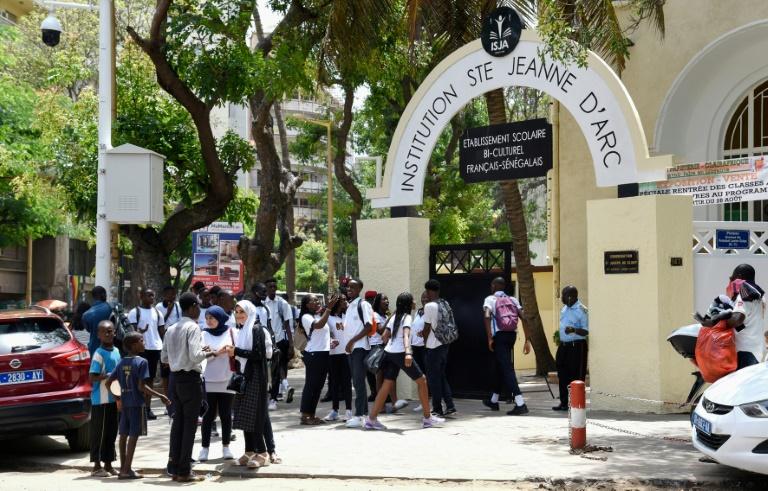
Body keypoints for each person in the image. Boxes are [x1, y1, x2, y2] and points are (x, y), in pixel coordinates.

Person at [365, 293, 445, 430]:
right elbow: (406, 336)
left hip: (389, 352)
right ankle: (428, 418)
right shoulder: (407, 317)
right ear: (408, 303)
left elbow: (384, 337)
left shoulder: (394, 317)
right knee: (422, 381)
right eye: (413, 300)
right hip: (401, 353)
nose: (415, 301)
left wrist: (394, 343)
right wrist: (408, 352)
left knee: (387, 384)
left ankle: (371, 419)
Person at [161, 292, 216, 482]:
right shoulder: (192, 327)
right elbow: (195, 356)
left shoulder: (171, 328)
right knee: (189, 426)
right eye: (198, 307)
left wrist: (179, 359)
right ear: (192, 307)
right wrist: (209, 352)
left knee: (178, 425)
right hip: (191, 379)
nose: (199, 310)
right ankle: (184, 470)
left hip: (176, 379)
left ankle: (175, 467)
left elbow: (164, 358)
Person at [107, 332, 170, 480]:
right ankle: (127, 470)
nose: (144, 342)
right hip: (137, 404)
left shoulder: (122, 362)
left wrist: (118, 398)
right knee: (133, 436)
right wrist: (160, 395)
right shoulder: (142, 362)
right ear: (134, 345)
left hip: (125, 404)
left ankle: (123, 468)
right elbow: (142, 387)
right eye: (141, 340)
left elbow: (108, 382)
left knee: (123, 435)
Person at [226, 300, 272, 469]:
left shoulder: (256, 328)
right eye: (237, 311)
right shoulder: (243, 329)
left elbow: (259, 354)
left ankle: (263, 453)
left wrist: (236, 351)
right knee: (245, 415)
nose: (239, 315)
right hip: (246, 376)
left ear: (250, 312)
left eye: (242, 312)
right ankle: (249, 451)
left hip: (256, 377)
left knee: (256, 416)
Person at [482, 277, 531, 415]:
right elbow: (524, 318)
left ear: (493, 286)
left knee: (507, 368)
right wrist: (527, 340)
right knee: (500, 366)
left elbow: (486, 315)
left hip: (500, 336)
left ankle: (521, 404)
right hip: (511, 336)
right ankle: (493, 400)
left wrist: (489, 337)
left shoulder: (490, 299)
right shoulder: (513, 300)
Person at [198, 306, 236, 462]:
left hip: (228, 378)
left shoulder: (232, 332)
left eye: (212, 318)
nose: (209, 321)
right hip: (209, 379)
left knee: (226, 415)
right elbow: (201, 355)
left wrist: (231, 350)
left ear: (220, 318)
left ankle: (226, 447)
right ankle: (204, 448)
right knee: (208, 416)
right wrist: (217, 353)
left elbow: (237, 351)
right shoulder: (203, 334)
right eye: (207, 318)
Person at [299, 293, 340, 425]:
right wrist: (328, 309)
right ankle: (305, 415)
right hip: (313, 354)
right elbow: (318, 326)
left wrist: (331, 341)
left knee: (318, 386)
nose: (317, 302)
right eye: (314, 301)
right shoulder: (306, 317)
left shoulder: (318, 315)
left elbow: (323, 333)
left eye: (318, 300)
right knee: (311, 385)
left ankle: (312, 414)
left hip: (323, 353)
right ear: (307, 305)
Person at [88, 320, 121, 477]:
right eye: (105, 331)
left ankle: (108, 464)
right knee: (99, 434)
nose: (108, 334)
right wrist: (106, 376)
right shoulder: (98, 353)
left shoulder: (116, 351)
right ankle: (96, 466)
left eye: (111, 331)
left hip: (113, 399)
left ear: (114, 332)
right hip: (100, 400)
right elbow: (92, 377)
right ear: (99, 335)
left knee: (111, 432)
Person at [127, 289, 165, 420]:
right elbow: (131, 332)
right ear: (141, 296)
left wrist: (165, 348)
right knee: (139, 379)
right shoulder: (134, 312)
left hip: (155, 349)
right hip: (141, 350)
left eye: (153, 295)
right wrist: (139, 331)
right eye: (149, 295)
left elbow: (161, 332)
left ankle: (147, 409)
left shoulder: (157, 312)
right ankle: (138, 408)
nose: (152, 297)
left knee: (150, 379)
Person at [421, 279, 457, 417]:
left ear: (429, 291)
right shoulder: (444, 303)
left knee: (433, 379)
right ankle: (450, 405)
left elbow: (426, 328)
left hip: (433, 346)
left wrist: (424, 342)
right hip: (445, 344)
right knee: (441, 376)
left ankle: (437, 409)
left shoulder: (429, 306)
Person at [343, 279, 374, 428]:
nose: (349, 289)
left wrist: (351, 341)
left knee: (358, 382)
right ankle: (365, 415)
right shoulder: (350, 306)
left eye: (353, 287)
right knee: (357, 382)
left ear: (360, 288)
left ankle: (358, 415)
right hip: (352, 349)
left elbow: (368, 327)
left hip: (360, 348)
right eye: (348, 287)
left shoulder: (363, 304)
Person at [724, 264, 766, 369]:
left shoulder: (743, 295)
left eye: (732, 278)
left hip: (744, 351)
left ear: (739, 277)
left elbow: (737, 319)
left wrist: (721, 320)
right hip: (755, 350)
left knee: (740, 385)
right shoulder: (759, 296)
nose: (730, 282)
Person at [554, 286, 589, 411]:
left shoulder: (582, 310)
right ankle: (564, 403)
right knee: (562, 374)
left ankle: (576, 404)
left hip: (577, 346)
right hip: (564, 346)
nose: (561, 298)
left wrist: (574, 330)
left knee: (576, 376)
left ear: (570, 296)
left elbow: (586, 331)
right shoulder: (565, 308)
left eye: (563, 295)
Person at [372, 293, 408, 413]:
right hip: (379, 347)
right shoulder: (375, 315)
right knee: (380, 376)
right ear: (378, 302)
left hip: (389, 347)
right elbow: (381, 330)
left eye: (387, 299)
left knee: (391, 376)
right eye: (384, 299)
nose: (387, 301)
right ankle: (381, 406)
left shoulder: (386, 314)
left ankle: (394, 404)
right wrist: (393, 316)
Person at [263, 278, 295, 407]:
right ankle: (284, 386)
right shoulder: (261, 304)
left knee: (277, 369)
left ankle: (274, 398)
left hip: (279, 340)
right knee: (268, 370)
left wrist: (291, 345)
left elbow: (288, 324)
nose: (272, 289)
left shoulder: (282, 304)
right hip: (265, 341)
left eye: (274, 287)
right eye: (269, 286)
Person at [325, 297, 352, 421]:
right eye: (343, 301)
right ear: (336, 303)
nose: (345, 302)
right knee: (334, 383)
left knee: (347, 383)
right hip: (333, 354)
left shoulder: (347, 316)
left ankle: (349, 410)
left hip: (346, 353)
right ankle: (334, 410)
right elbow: (327, 332)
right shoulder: (328, 317)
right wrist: (331, 339)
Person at [410, 292, 428, 413]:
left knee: (428, 375)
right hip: (415, 346)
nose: (424, 299)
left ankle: (434, 401)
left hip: (425, 347)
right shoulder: (418, 312)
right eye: (422, 298)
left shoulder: (431, 312)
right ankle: (422, 402)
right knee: (419, 375)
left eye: (426, 297)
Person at [83, 286, 112, 355]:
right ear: (103, 294)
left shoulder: (85, 315)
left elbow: (89, 330)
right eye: (105, 294)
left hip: (94, 349)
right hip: (110, 349)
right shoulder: (110, 308)